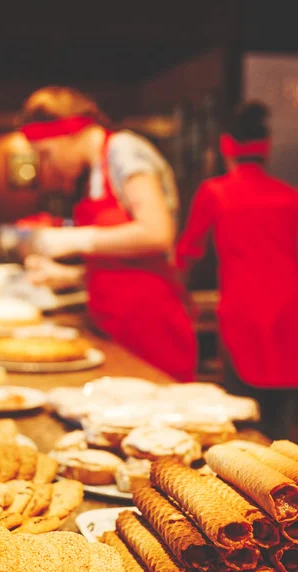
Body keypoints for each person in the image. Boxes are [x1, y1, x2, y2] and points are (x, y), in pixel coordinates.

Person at [19, 86, 196, 382]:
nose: (48, 166)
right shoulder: (95, 173)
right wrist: (70, 276)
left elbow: (156, 233)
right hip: (114, 325)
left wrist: (75, 239)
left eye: (46, 153)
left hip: (150, 326)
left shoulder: (123, 149)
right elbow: (121, 263)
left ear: (70, 133)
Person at [176, 101, 298, 440]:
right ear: (267, 148)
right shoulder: (291, 197)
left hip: (243, 313)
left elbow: (188, 252)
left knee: (243, 418)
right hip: (291, 314)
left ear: (226, 146)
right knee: (285, 421)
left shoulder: (215, 193)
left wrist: (181, 297)